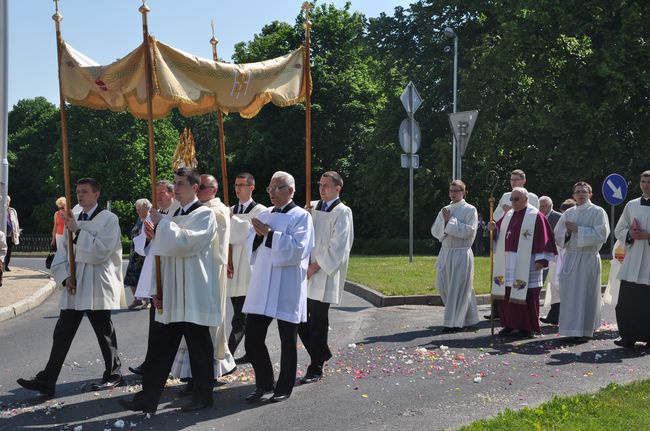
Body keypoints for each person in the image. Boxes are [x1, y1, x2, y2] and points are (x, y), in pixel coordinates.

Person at [119, 167, 221, 413]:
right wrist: (156, 289)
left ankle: (203, 396)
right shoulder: (171, 215)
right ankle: (147, 398)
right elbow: (160, 256)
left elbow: (185, 243)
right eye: (175, 182)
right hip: (171, 293)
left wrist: (161, 225)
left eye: (181, 183)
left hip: (194, 292)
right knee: (158, 348)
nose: (176, 187)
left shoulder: (205, 215)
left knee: (199, 347)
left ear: (195, 187)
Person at [17, 178, 124, 397]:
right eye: (77, 192)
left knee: (104, 332)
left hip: (95, 284)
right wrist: (65, 277)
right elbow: (63, 251)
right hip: (74, 286)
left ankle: (114, 374)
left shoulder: (108, 219)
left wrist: (77, 231)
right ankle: (47, 380)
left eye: (84, 192)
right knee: (62, 333)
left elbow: (101, 252)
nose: (80, 195)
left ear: (96, 194)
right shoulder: (72, 215)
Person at [243, 171, 314, 403]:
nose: (272, 192)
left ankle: (284, 387)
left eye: (277, 188)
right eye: (270, 188)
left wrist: (270, 234)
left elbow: (297, 250)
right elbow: (250, 248)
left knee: (287, 340)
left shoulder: (301, 216)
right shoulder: (265, 214)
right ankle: (264, 382)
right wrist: (255, 236)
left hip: (286, 285)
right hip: (263, 284)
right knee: (252, 339)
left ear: (291, 190)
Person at [170, 174, 236, 393]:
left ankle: (208, 377)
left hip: (209, 272)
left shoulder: (217, 210)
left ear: (214, 190)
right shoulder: (189, 209)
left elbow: (194, 238)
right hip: (187, 272)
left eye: (204, 188)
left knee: (205, 331)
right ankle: (191, 376)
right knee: (188, 331)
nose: (199, 192)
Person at [298, 171, 354, 384]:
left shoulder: (342, 211)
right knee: (300, 318)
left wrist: (317, 265)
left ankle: (316, 367)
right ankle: (321, 352)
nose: (321, 189)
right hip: (307, 270)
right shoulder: (312, 207)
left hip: (324, 272)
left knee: (318, 321)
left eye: (326, 186)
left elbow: (339, 245)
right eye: (320, 185)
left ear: (337, 188)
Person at [128, 179, 180, 377]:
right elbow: (141, 246)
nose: (157, 197)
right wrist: (149, 237)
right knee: (155, 323)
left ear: (172, 194)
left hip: (170, 272)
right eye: (155, 194)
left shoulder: (177, 213)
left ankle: (166, 365)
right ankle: (151, 363)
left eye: (161, 193)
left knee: (170, 327)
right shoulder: (152, 215)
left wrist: (160, 231)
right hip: (153, 272)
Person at [490, 187, 556, 338]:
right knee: (506, 294)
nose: (513, 202)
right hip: (508, 262)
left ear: (526, 199)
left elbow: (543, 238)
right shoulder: (508, 215)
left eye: (517, 199)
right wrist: (494, 229)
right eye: (512, 199)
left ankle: (526, 327)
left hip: (527, 262)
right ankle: (509, 324)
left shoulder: (535, 216)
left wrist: (541, 259)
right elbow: (500, 235)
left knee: (527, 294)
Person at [554, 182, 609, 341]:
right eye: (577, 192)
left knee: (586, 294)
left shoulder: (598, 211)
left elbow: (602, 235)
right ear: (573, 196)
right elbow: (558, 234)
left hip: (587, 258)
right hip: (571, 257)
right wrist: (567, 232)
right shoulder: (568, 212)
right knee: (570, 295)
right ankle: (571, 329)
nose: (581, 194)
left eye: (584, 192)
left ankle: (585, 330)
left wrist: (578, 229)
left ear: (590, 194)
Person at [487, 169, 539, 320]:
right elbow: (496, 217)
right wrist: (495, 223)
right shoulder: (505, 196)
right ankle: (499, 311)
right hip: (506, 244)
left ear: (524, 180)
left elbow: (533, 215)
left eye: (516, 179)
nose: (513, 182)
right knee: (502, 279)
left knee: (521, 283)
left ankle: (523, 318)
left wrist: (512, 210)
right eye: (511, 180)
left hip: (523, 245)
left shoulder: (532, 197)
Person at [431, 179, 479, 332]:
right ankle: (470, 319)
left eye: (456, 190)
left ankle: (453, 323)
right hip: (446, 252)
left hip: (461, 252)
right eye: (451, 190)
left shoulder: (470, 209)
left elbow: (469, 231)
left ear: (464, 192)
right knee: (445, 286)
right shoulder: (444, 209)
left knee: (458, 288)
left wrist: (450, 221)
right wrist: (445, 223)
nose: (453, 194)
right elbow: (435, 231)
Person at [228, 172, 266, 364]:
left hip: (249, 267)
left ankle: (227, 354)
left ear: (251, 187)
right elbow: (226, 237)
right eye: (235, 184)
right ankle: (250, 351)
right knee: (240, 312)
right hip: (232, 266)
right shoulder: (231, 209)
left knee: (241, 316)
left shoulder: (260, 210)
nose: (237, 188)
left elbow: (249, 233)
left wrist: (231, 220)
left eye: (241, 185)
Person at [613, 170, 650, 348]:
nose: (646, 185)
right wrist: (630, 234)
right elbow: (619, 229)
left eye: (649, 181)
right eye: (643, 181)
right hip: (633, 261)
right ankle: (627, 336)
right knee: (627, 302)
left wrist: (648, 236)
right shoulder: (632, 205)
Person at [540, 198, 575, 324]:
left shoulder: (562, 218)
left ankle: (559, 316)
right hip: (557, 256)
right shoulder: (562, 220)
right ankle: (554, 316)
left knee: (562, 287)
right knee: (555, 286)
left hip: (567, 256)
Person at [538, 196, 563, 324]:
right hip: (541, 254)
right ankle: (553, 316)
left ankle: (555, 316)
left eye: (543, 206)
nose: (541, 208)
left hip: (556, 255)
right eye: (540, 205)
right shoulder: (537, 216)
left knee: (556, 285)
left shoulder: (558, 217)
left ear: (550, 206)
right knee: (550, 286)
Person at [125, 198, 151, 310]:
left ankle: (148, 301)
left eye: (139, 209)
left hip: (145, 254)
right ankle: (137, 299)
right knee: (131, 276)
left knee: (145, 277)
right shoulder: (139, 219)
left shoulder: (150, 219)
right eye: (137, 209)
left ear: (146, 208)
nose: (137, 211)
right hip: (135, 253)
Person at [5, 196, 21, 272]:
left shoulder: (12, 211)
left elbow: (16, 222)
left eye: (8, 201)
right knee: (2, 250)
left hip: (10, 235)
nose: (7, 203)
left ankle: (6, 265)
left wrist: (17, 232)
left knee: (8, 250)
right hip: (2, 235)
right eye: (5, 201)